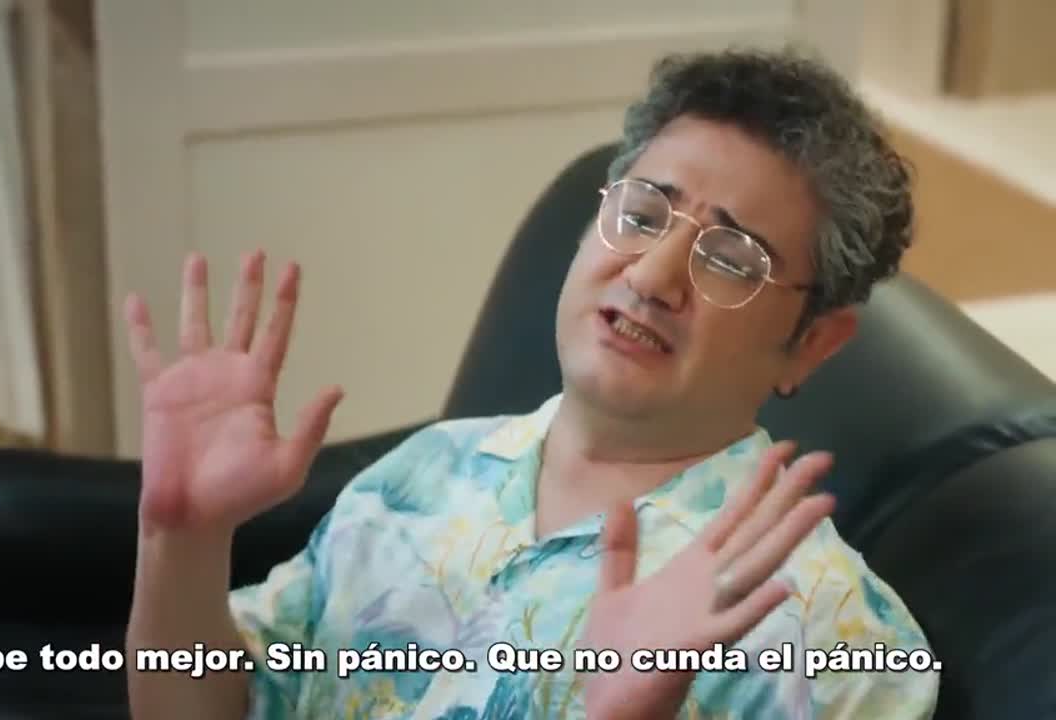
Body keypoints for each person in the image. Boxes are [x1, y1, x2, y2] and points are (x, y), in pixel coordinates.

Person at [122, 48, 939, 719]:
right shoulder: (426, 475)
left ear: (811, 345)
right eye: (642, 215)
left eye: (729, 259)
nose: (652, 276)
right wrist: (182, 541)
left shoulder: (829, 637)